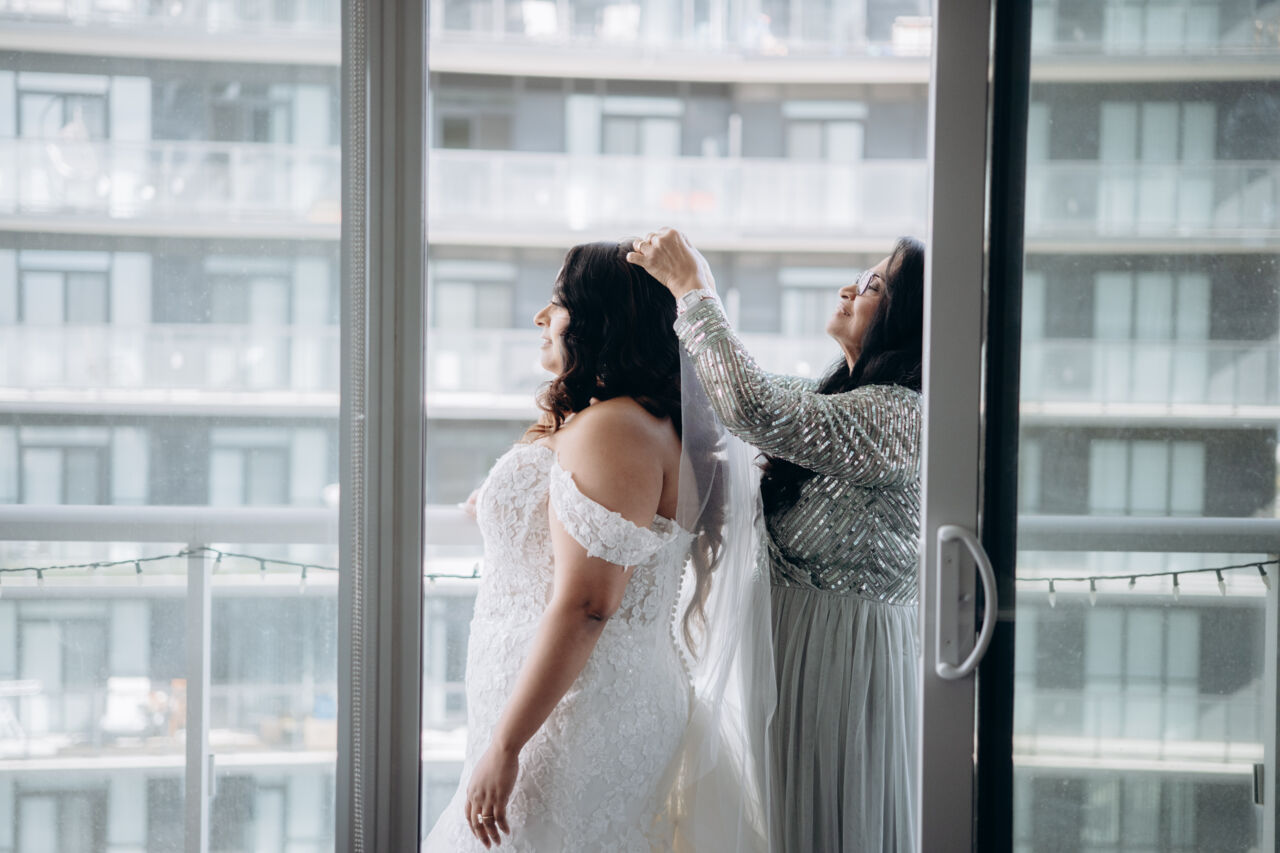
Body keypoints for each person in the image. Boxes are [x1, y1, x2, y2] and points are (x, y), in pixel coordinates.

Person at [424, 240, 732, 851]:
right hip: (560, 701)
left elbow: (589, 604)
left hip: (578, 712)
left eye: (559, 303)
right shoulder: (622, 421)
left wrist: (507, 745)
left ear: (602, 319)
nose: (541, 317)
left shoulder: (617, 427)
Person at [629, 228, 924, 853]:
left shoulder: (901, 414)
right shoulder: (835, 398)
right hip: (794, 648)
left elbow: (752, 406)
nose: (849, 289)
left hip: (846, 661)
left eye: (873, 285)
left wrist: (694, 288)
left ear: (909, 319)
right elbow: (734, 391)